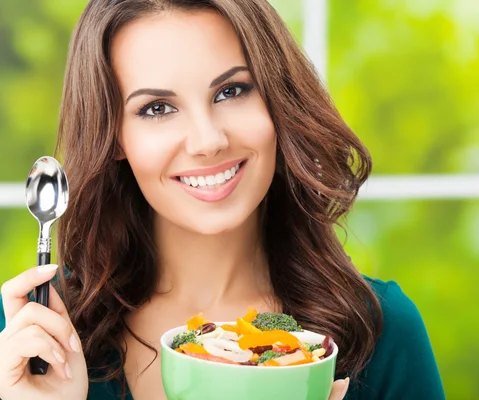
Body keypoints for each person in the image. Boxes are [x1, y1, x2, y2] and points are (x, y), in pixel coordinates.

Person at [0, 0, 445, 399]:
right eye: (157, 108)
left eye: (231, 91)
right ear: (114, 135)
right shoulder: (35, 340)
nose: (208, 141)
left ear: (277, 99)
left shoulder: (383, 333)